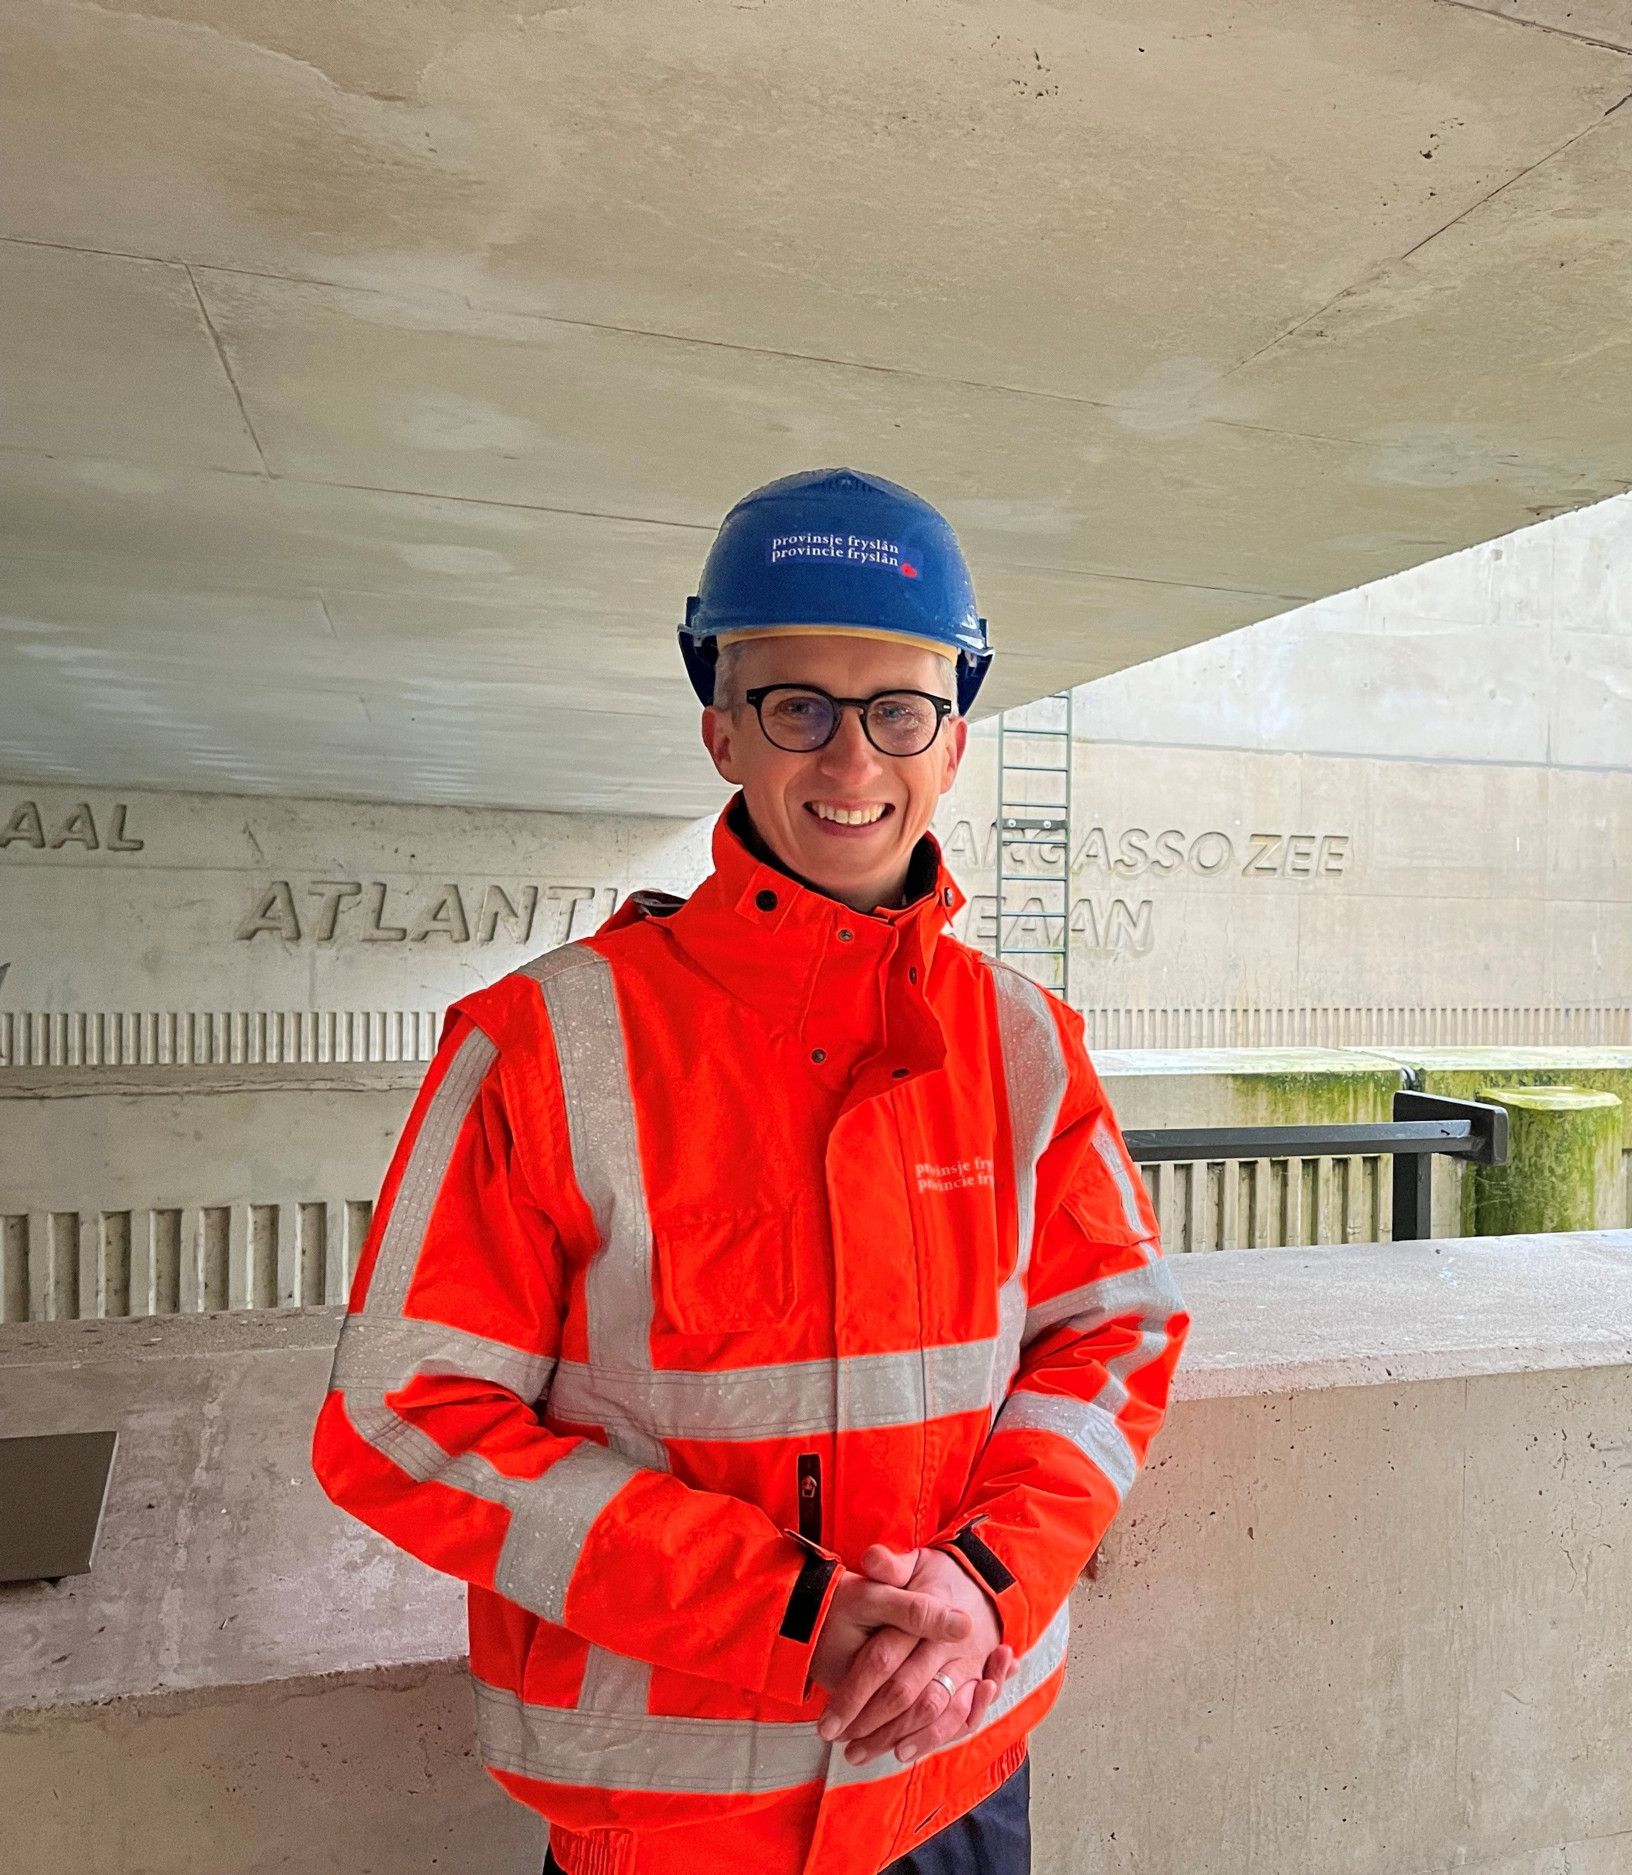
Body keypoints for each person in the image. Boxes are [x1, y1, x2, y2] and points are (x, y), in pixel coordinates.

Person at [312, 467, 1188, 1875]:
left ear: (952, 740)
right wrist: (791, 1615)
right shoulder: (541, 1045)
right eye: (798, 708)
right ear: (723, 729)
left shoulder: (1025, 1044)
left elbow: (1112, 1335)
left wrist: (981, 1587)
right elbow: (402, 1419)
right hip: (671, 1832)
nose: (852, 764)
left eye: (899, 710)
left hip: (960, 1774)